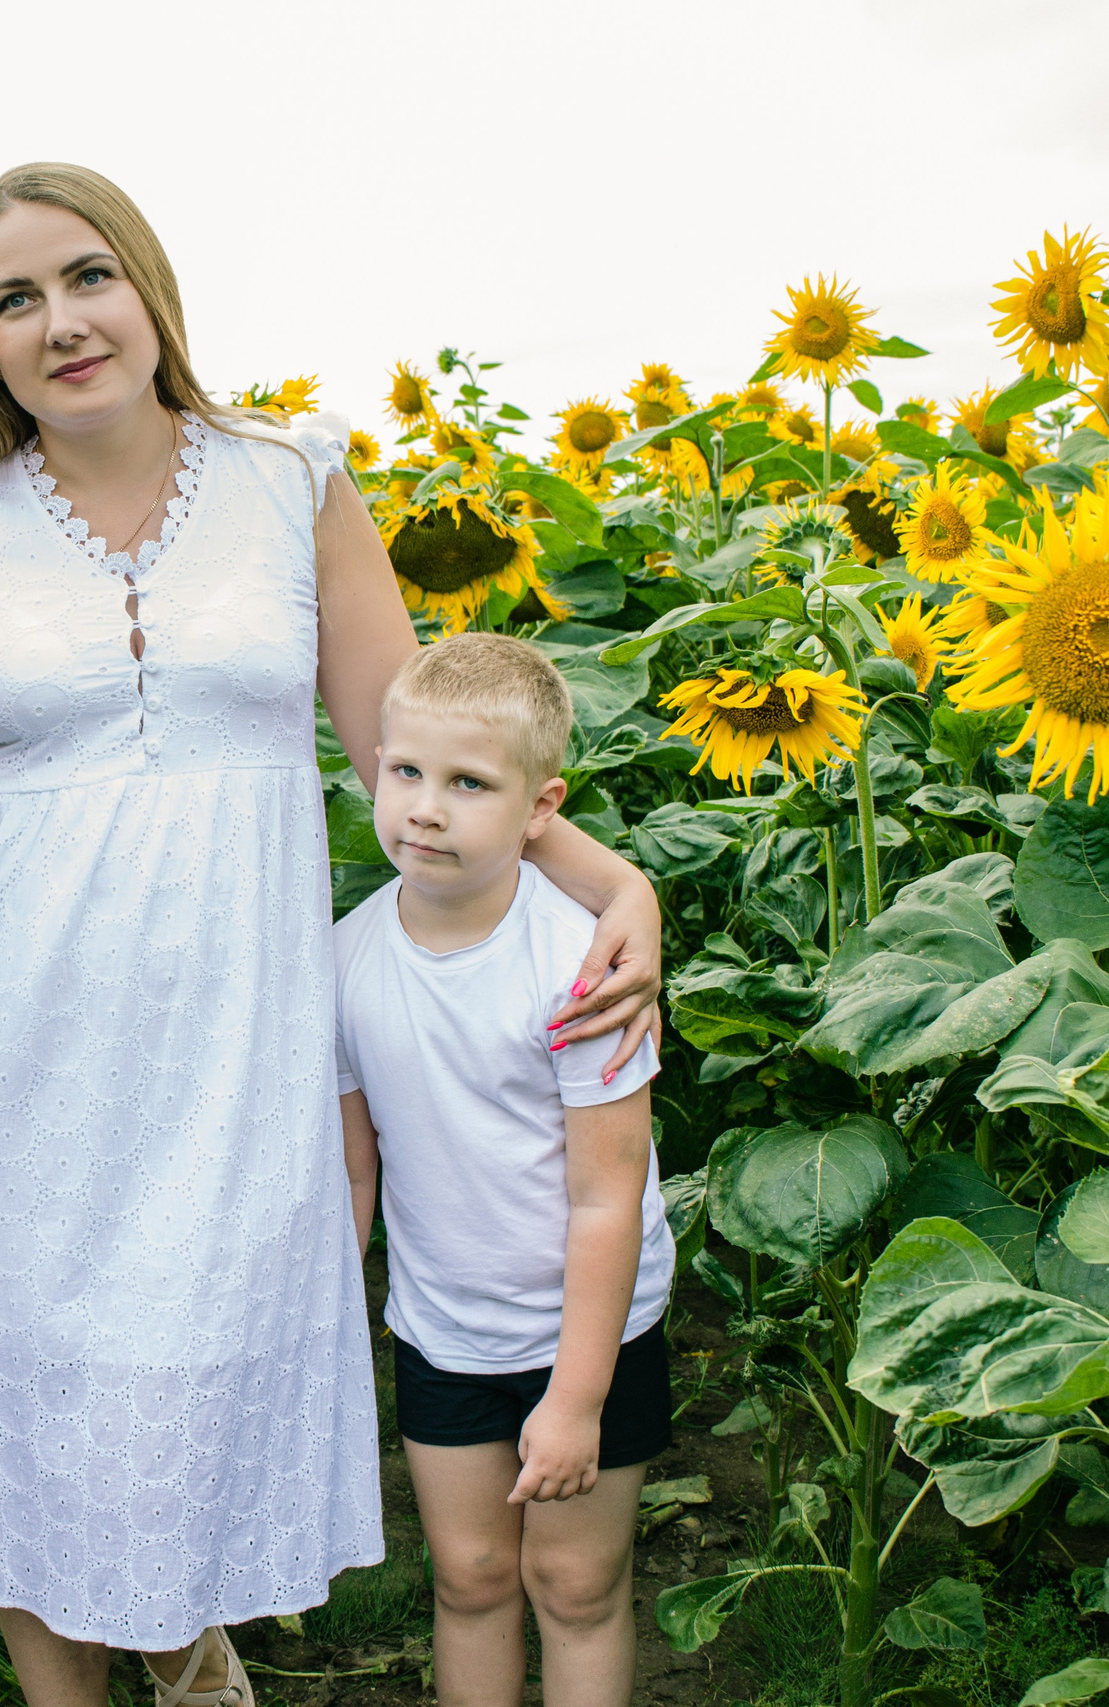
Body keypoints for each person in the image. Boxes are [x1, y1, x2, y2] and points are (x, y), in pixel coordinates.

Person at [0, 162, 665, 1707]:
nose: (61, 321)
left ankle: (187, 1650)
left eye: (86, 275)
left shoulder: (286, 480)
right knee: (26, 1385)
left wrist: (611, 878)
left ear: (150, 286)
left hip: (237, 1028)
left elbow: (411, 748)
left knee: (185, 1359)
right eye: (13, 300)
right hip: (7, 1043)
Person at [334, 635, 675, 1707]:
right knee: (473, 1575)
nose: (425, 809)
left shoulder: (580, 966)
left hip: (589, 1329)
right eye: (406, 773)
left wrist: (575, 1399)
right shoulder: (342, 961)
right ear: (377, 765)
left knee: (573, 1580)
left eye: (469, 784)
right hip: (445, 1324)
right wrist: (335, 1329)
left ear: (542, 806)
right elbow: (355, 1175)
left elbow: (605, 1195)